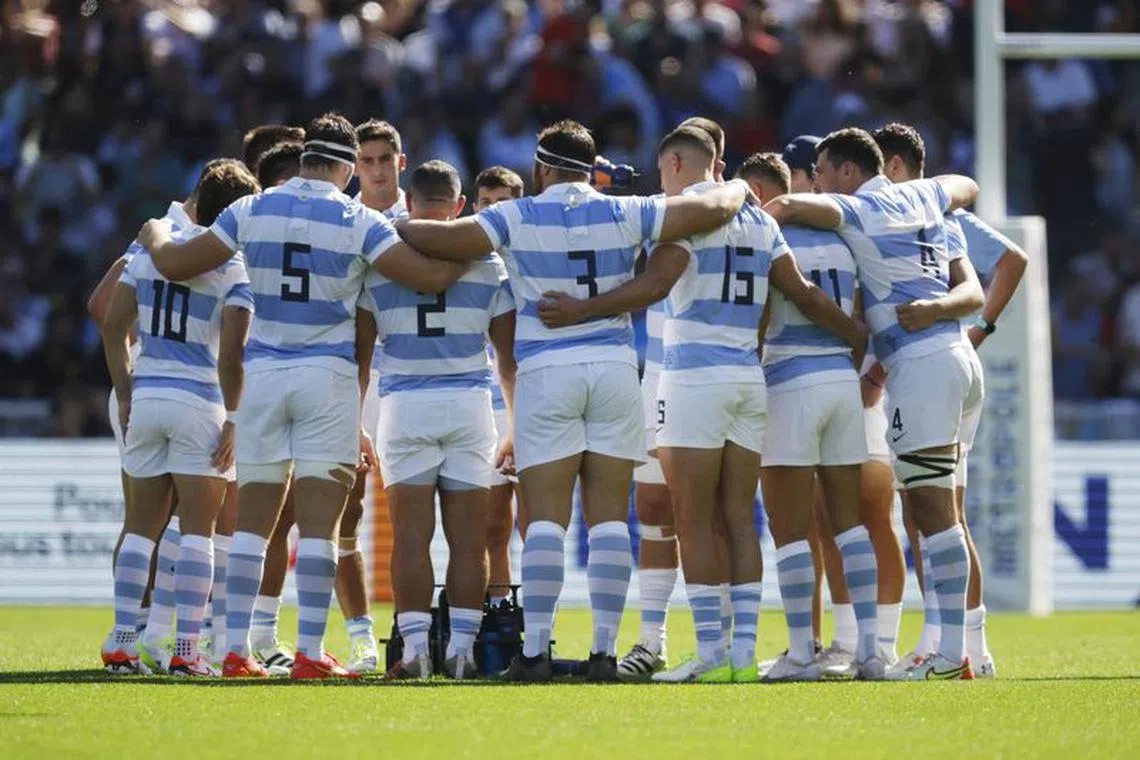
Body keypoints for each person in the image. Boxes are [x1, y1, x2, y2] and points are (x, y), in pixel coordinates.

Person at [396, 119, 753, 682]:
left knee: (546, 522)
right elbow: (710, 211)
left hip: (545, 372)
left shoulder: (515, 214)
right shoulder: (626, 209)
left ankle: (535, 653)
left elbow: (439, 237)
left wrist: (385, 224)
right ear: (593, 168)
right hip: (613, 367)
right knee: (610, 521)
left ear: (540, 169)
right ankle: (604, 655)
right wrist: (735, 188)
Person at [137, 112, 466, 680]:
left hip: (264, 375)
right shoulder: (358, 218)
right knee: (320, 527)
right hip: (327, 378)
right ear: (344, 165)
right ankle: (310, 653)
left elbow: (175, 262)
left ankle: (234, 649)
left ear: (305, 155)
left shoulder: (250, 208)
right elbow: (429, 279)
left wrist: (153, 230)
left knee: (252, 525)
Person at [610, 131, 864, 684]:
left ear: (675, 162)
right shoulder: (762, 222)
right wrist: (857, 335)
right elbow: (801, 293)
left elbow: (654, 286)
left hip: (693, 378)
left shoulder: (687, 218)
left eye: (665, 170)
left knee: (692, 518)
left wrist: (587, 307)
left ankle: (709, 650)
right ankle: (742, 655)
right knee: (739, 519)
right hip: (748, 377)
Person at [765, 127, 985, 681]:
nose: (816, 180)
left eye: (821, 169)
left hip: (922, 366)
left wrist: (747, 219)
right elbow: (967, 184)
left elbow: (789, 203)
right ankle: (956, 650)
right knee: (932, 507)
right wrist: (937, 187)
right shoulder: (924, 193)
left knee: (934, 512)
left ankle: (952, 654)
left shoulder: (856, 209)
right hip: (957, 356)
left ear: (844, 170)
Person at [874, 122, 1027, 678]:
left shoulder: (925, 219)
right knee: (946, 511)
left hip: (932, 367)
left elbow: (1010, 263)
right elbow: (1013, 260)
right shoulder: (943, 216)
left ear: (891, 167)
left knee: (930, 512)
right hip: (953, 367)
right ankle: (972, 646)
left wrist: (977, 327)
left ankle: (946, 644)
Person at [100, 159, 260, 676]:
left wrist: (126, 392)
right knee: (198, 531)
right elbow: (231, 358)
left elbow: (111, 325)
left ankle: (122, 640)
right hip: (200, 402)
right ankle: (187, 650)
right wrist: (235, 419)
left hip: (147, 395)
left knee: (141, 528)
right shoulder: (234, 267)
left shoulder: (151, 250)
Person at [359, 161, 517, 680]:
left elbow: (359, 358)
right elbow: (508, 360)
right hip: (471, 402)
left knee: (410, 536)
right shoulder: (489, 265)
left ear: (409, 204)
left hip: (403, 404)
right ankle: (464, 652)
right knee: (470, 540)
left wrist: (353, 422)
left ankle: (416, 652)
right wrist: (514, 423)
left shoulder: (378, 262)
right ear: (461, 206)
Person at [738, 152, 885, 681]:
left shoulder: (765, 239)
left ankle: (801, 651)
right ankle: (870, 649)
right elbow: (864, 305)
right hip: (841, 382)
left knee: (791, 529)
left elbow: (761, 315)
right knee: (851, 525)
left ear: (760, 192)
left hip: (790, 380)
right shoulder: (843, 239)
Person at [619, 115, 729, 682]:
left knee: (709, 518)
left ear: (676, 163)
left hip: (701, 380)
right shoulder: (670, 215)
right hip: (655, 378)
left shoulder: (726, 209)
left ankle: (725, 643)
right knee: (656, 515)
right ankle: (651, 641)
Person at [471, 166, 526, 607]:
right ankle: (500, 614)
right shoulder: (469, 264)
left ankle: (543, 628)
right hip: (487, 405)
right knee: (491, 524)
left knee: (538, 523)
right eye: (485, 204)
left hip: (539, 401)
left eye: (501, 203)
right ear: (473, 208)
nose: (491, 212)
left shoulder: (534, 261)